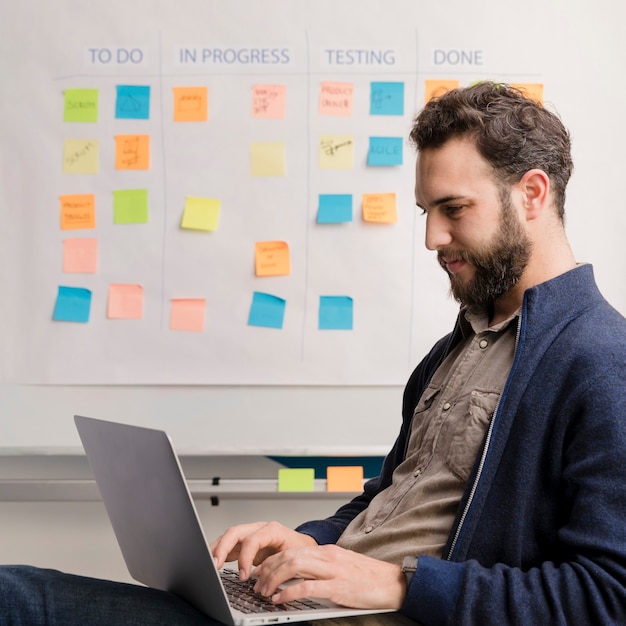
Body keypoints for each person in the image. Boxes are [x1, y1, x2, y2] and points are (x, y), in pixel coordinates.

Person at [1, 81, 625, 625]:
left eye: (453, 209)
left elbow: (608, 596)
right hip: (321, 613)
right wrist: (303, 545)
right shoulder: (454, 351)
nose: (433, 237)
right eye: (425, 212)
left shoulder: (600, 361)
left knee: (17, 600)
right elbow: (388, 502)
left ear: (533, 194)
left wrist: (399, 584)